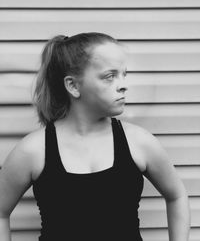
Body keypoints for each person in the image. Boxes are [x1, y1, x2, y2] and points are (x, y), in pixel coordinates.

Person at [0, 32, 190, 241]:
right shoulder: (34, 150)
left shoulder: (139, 142)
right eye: (109, 77)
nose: (123, 84)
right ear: (73, 85)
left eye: (123, 74)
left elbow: (177, 196)